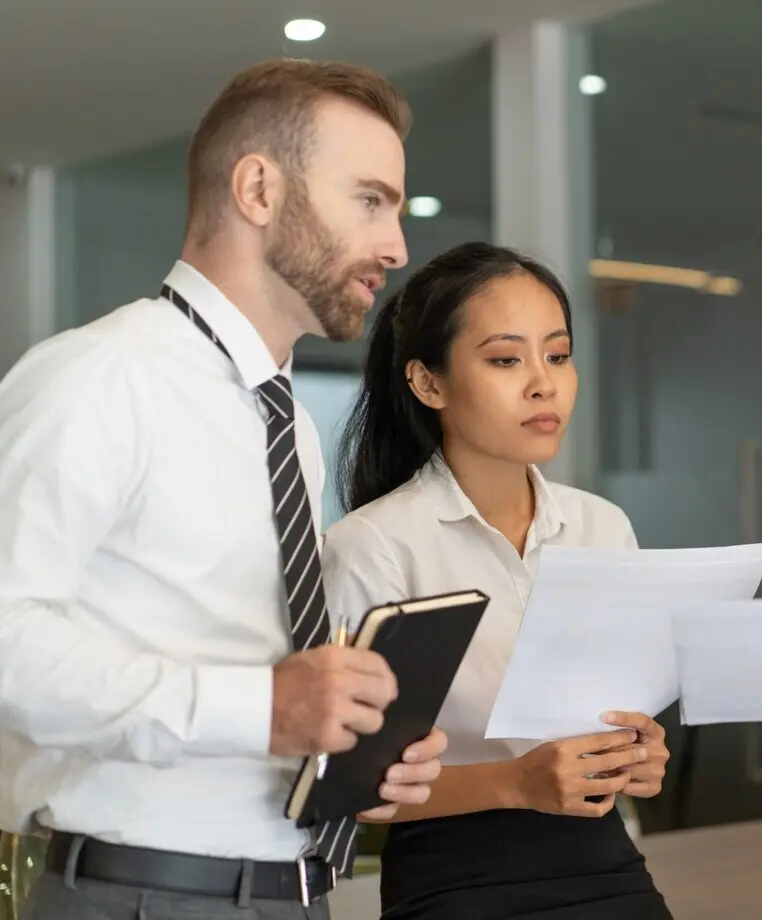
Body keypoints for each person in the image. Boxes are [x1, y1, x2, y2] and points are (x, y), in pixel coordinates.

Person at [0, 59, 448, 920]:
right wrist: (263, 707)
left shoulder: (289, 424)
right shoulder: (99, 378)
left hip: (290, 892)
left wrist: (351, 758)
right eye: (370, 200)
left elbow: (257, 681)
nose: (397, 248)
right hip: (142, 895)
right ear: (258, 190)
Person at [321, 241, 674, 920]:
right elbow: (352, 787)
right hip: (456, 881)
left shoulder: (603, 527)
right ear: (428, 383)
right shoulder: (373, 546)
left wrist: (640, 753)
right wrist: (515, 781)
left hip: (607, 864)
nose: (543, 384)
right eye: (506, 360)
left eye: (558, 355)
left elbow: (623, 721)